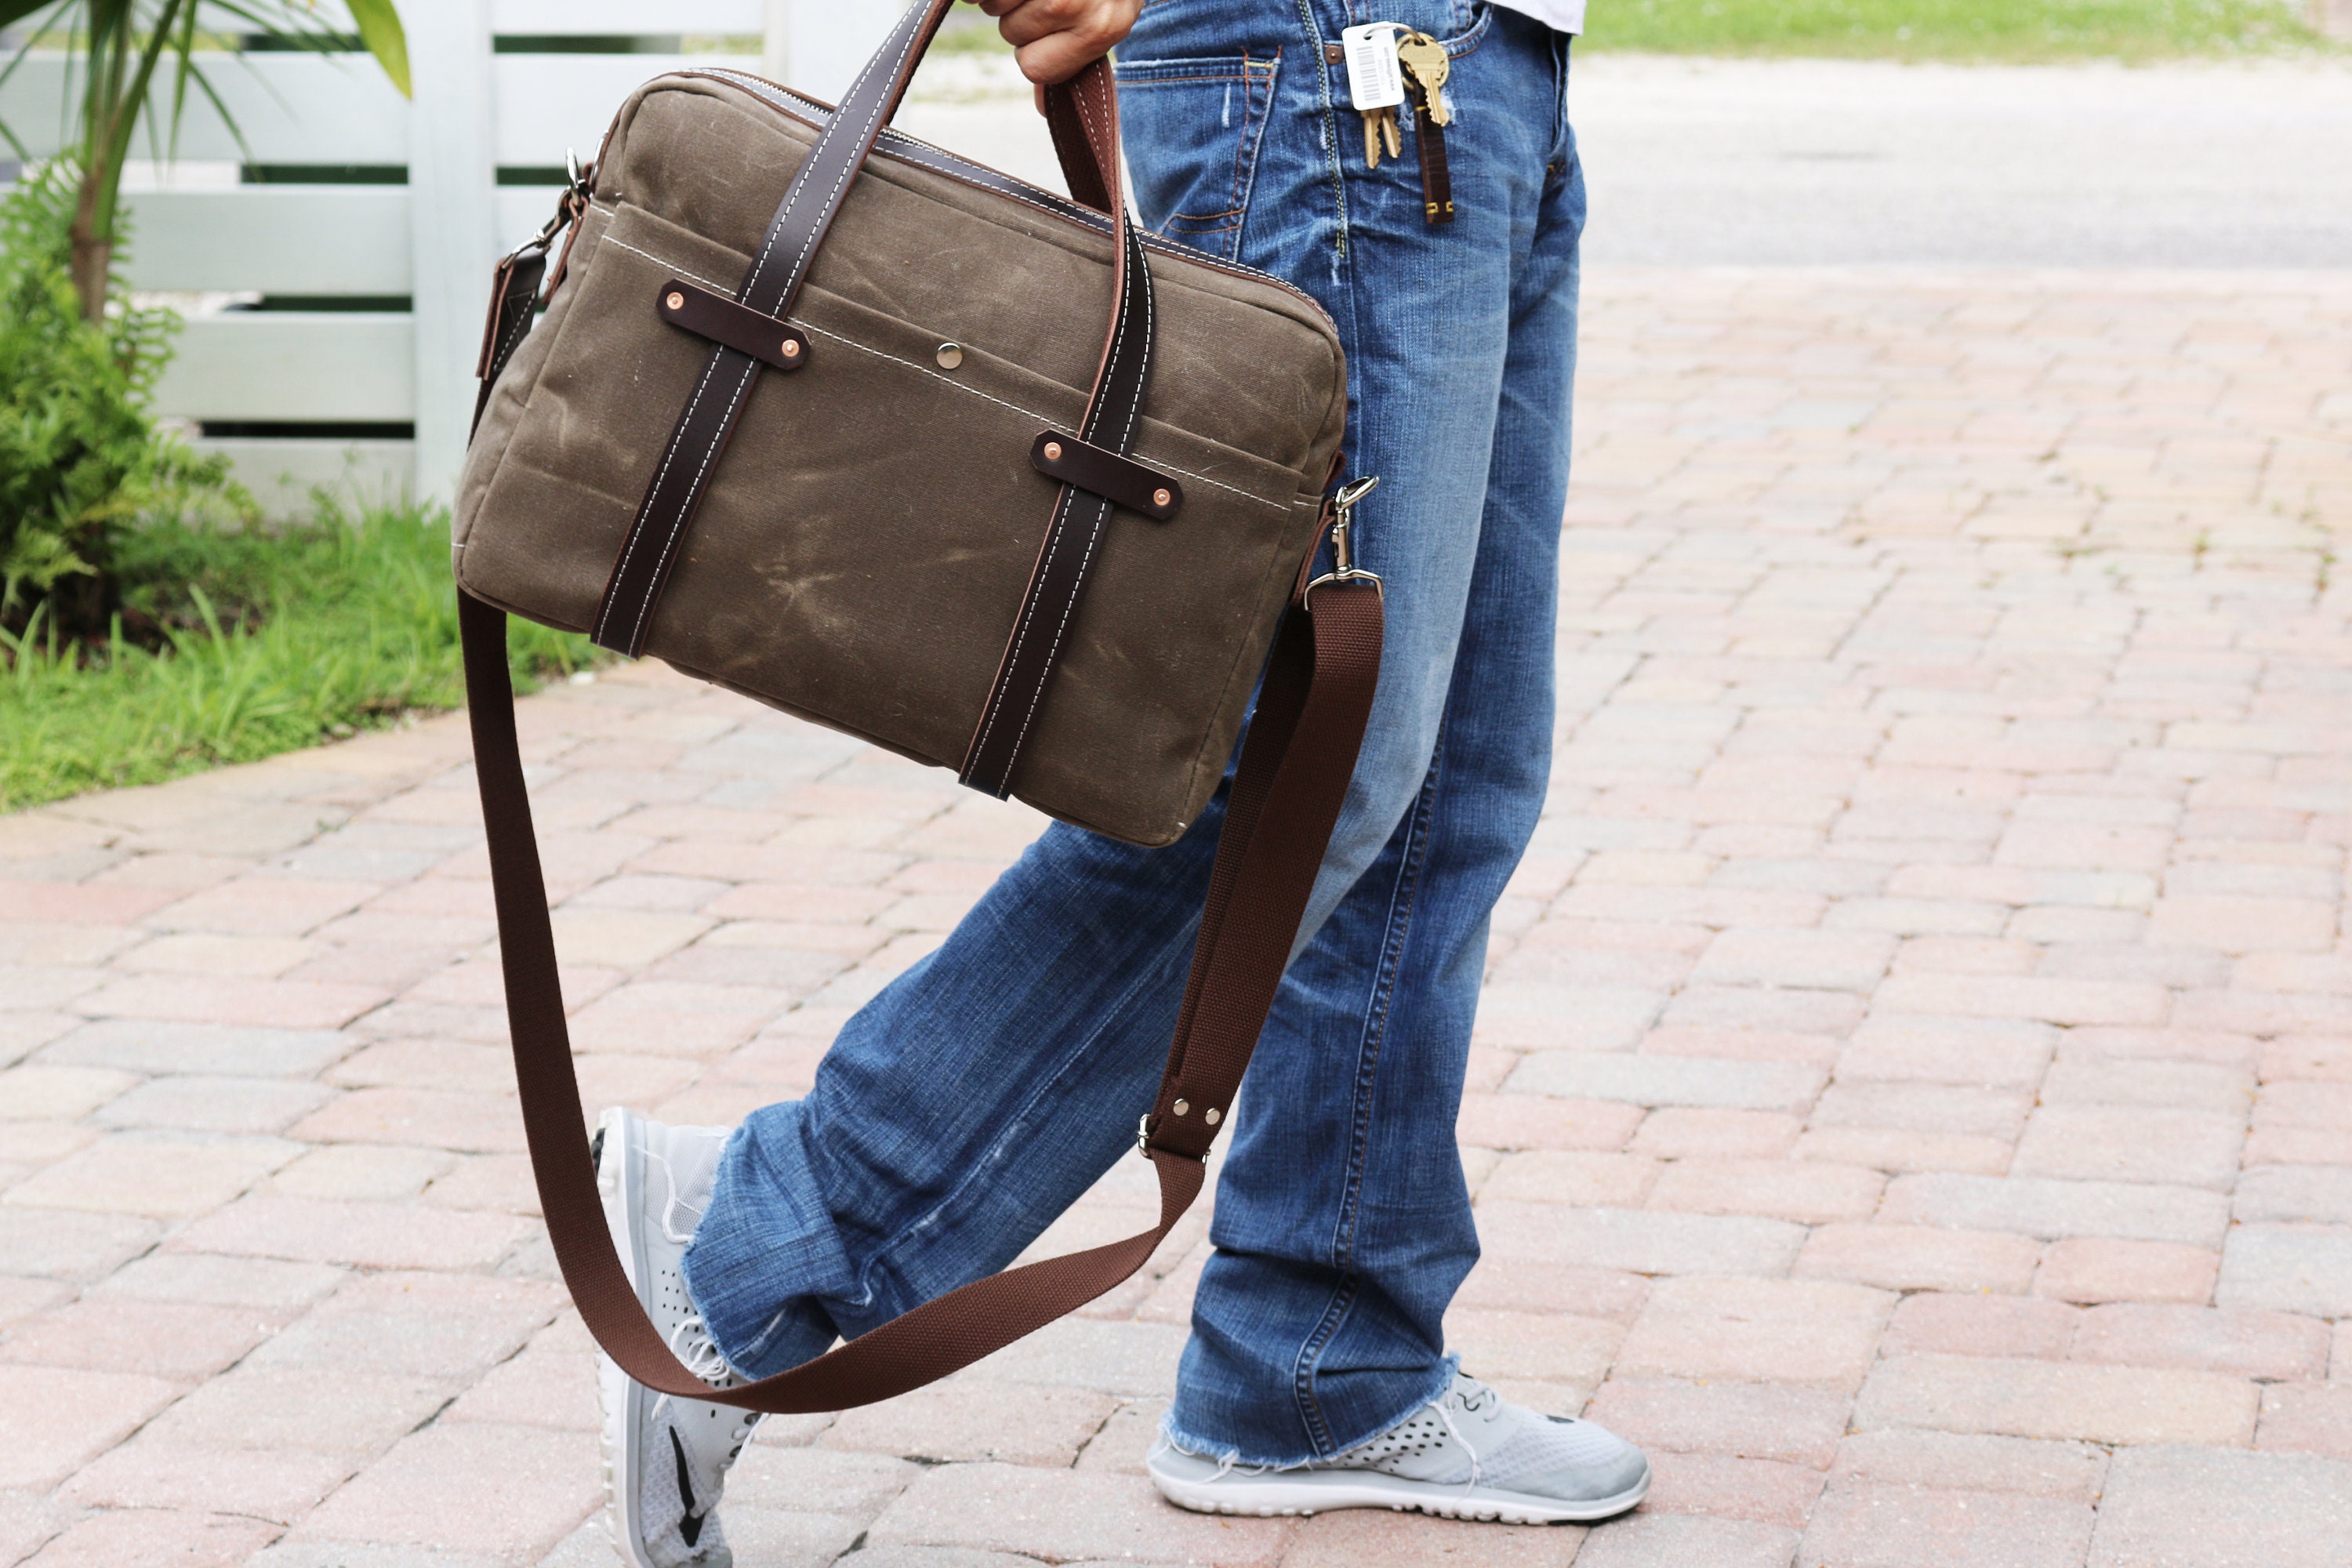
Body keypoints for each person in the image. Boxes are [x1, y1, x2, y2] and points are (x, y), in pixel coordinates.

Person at [593, 0, 1646, 1562]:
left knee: (1443, 770)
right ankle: (763, 1235)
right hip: (1329, 64)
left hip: (1480, 68)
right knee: (1312, 764)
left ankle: (1318, 1359)